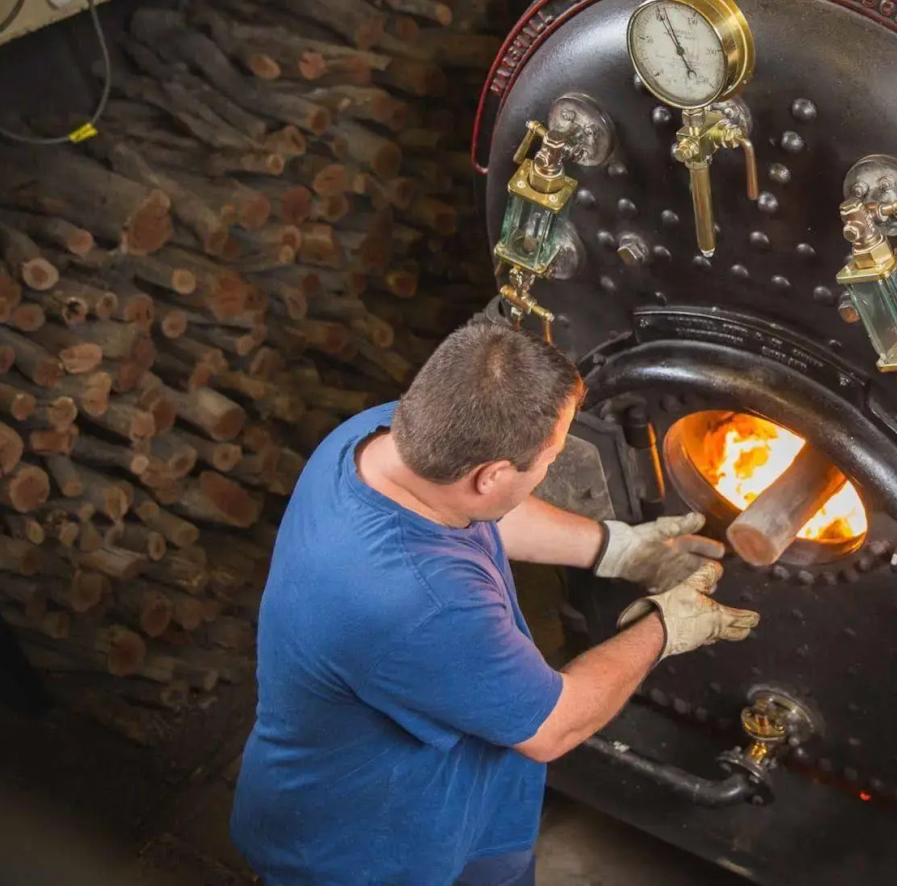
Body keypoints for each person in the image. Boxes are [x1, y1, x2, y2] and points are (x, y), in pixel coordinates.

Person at [230, 317, 760, 886]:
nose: (549, 468)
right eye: (550, 460)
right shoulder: (419, 602)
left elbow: (481, 514)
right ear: (493, 474)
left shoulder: (384, 439)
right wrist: (666, 626)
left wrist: (616, 549)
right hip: (369, 846)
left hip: (456, 800)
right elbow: (554, 725)